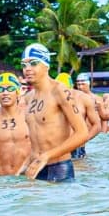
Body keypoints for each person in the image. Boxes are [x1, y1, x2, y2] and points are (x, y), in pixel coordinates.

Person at [18, 43, 89, 181]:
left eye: (33, 63)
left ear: (46, 65)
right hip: (36, 168)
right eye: (24, 65)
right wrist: (25, 164)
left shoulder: (59, 91)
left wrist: (47, 156)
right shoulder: (28, 98)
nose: (27, 69)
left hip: (59, 168)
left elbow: (82, 133)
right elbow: (37, 138)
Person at [69, 73, 103, 159]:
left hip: (81, 141)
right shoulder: (62, 100)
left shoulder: (95, 99)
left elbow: (102, 120)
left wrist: (84, 139)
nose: (80, 87)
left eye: (82, 84)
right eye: (78, 84)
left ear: (88, 84)